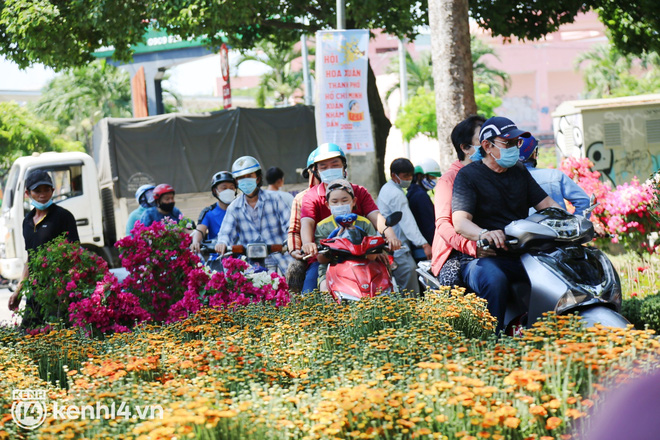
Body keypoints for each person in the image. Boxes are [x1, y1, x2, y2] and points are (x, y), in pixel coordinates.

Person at [452, 116, 560, 332]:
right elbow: (460, 222)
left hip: (523, 254)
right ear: (487, 146)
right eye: (508, 143)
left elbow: (547, 204)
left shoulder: (519, 171)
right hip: (487, 258)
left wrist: (570, 221)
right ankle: (492, 342)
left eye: (516, 143)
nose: (514, 148)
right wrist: (484, 234)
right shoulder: (468, 176)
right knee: (494, 281)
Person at [300, 143, 401, 259]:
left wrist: (390, 235)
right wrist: (307, 243)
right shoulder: (311, 197)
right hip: (327, 257)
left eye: (335, 165)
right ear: (317, 172)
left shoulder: (360, 192)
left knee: (384, 272)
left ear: (344, 166)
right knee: (312, 277)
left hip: (362, 254)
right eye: (323, 167)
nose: (330, 170)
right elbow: (307, 222)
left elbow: (376, 216)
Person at [8, 169, 80, 328]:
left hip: (58, 290)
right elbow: (30, 259)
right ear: (27, 193)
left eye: (47, 190)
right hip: (36, 291)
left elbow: (74, 255)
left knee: (61, 335)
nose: (42, 194)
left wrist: (67, 289)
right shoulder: (27, 221)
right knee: (29, 333)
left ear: (53, 191)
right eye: (37, 191)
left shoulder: (63, 217)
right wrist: (18, 291)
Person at [432, 115, 486, 286]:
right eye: (482, 140)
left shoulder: (491, 175)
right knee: (454, 285)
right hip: (455, 251)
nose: (488, 145)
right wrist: (471, 246)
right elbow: (443, 224)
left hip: (489, 245)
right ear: (465, 148)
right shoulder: (448, 180)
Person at [215, 156, 293, 274]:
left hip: (282, 261)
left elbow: (291, 225)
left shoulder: (275, 199)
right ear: (236, 182)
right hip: (251, 267)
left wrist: (291, 240)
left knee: (295, 287)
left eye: (249, 176)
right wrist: (222, 243)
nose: (245, 181)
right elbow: (226, 232)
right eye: (241, 178)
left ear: (258, 178)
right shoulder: (234, 207)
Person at [376, 158, 432, 296]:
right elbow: (408, 223)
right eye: (404, 176)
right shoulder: (395, 194)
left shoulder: (388, 189)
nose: (408, 179)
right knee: (411, 291)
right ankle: (412, 314)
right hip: (398, 250)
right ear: (394, 175)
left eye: (410, 176)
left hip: (392, 248)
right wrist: (423, 244)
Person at [314, 180, 378, 291]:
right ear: (327, 205)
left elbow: (373, 256)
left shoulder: (364, 223)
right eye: (335, 202)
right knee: (325, 291)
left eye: (345, 201)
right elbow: (321, 259)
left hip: (363, 268)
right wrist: (334, 241)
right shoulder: (322, 226)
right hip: (331, 268)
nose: (340, 205)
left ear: (354, 202)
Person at [519, 135, 591, 217]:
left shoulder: (505, 180)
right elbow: (583, 201)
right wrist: (576, 224)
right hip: (557, 228)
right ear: (533, 153)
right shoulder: (554, 176)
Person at [287, 148, 322, 294]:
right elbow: (294, 230)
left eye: (335, 165)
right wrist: (296, 250)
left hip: (352, 255)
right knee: (308, 298)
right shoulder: (301, 198)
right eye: (323, 167)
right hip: (318, 258)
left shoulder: (350, 193)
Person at [190, 171, 237, 254]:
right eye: (224, 188)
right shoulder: (208, 212)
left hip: (241, 255)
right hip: (217, 257)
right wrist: (196, 241)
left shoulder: (241, 209)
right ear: (215, 191)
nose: (228, 190)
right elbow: (200, 231)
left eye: (231, 187)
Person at [407, 157, 442, 258]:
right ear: (419, 176)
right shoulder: (420, 195)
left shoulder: (412, 192)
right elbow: (428, 224)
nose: (434, 180)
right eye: (431, 177)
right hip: (426, 248)